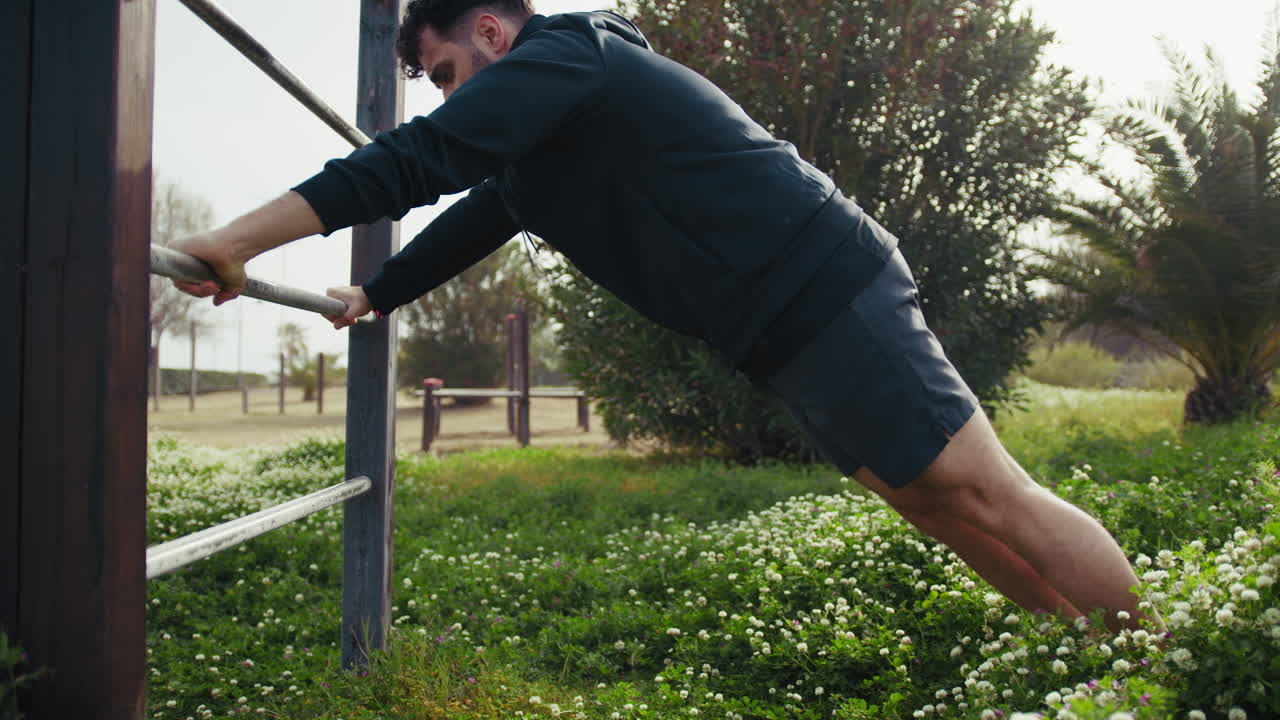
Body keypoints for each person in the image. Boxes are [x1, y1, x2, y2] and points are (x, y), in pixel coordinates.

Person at [173, 0, 1160, 633]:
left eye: (442, 76)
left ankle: (1154, 663)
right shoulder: (537, 154)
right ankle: (1081, 654)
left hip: (821, 284)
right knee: (934, 508)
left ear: (491, 31)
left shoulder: (570, 56)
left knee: (987, 492)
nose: (446, 101)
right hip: (776, 329)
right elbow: (468, 218)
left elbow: (409, 163)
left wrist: (239, 241)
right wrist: (375, 292)